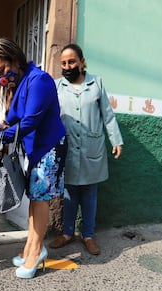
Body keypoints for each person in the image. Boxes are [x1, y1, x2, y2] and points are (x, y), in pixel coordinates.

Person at [0, 37, 67, 279]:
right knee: (34, 197)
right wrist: (1, 125)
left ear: (15, 59)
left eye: (2, 71)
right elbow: (16, 120)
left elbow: (30, 122)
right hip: (33, 148)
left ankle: (37, 250)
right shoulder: (20, 85)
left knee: (39, 199)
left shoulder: (39, 80)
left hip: (48, 146)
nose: (0, 78)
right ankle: (31, 246)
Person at [48, 43, 123, 255]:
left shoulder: (96, 83)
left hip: (92, 146)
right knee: (70, 193)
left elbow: (107, 115)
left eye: (71, 61)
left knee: (90, 193)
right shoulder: (56, 86)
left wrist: (116, 140)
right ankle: (68, 233)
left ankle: (88, 234)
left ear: (82, 62)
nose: (67, 66)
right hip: (68, 147)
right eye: (63, 63)